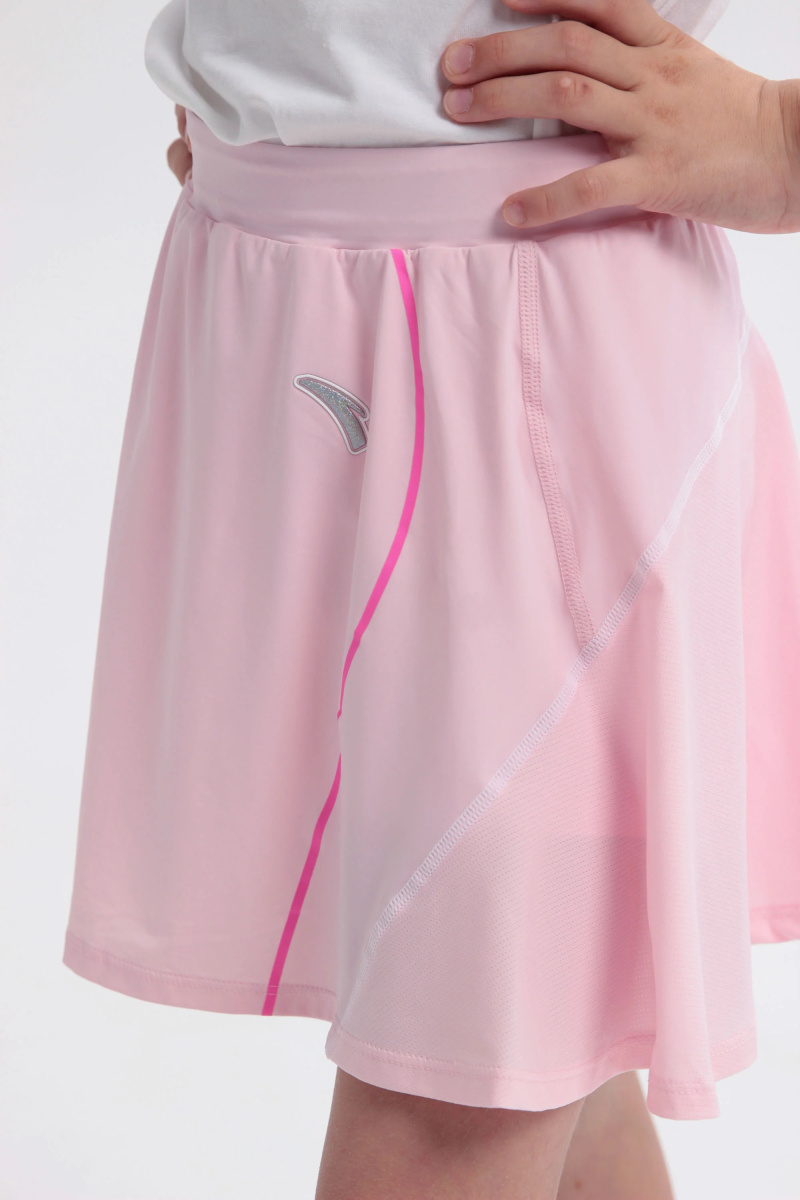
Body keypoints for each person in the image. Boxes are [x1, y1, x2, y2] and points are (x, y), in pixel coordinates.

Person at [63, 2, 800, 1197]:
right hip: (271, 296)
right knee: (538, 1038)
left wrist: (779, 133)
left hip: (532, 351)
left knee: (464, 1069)